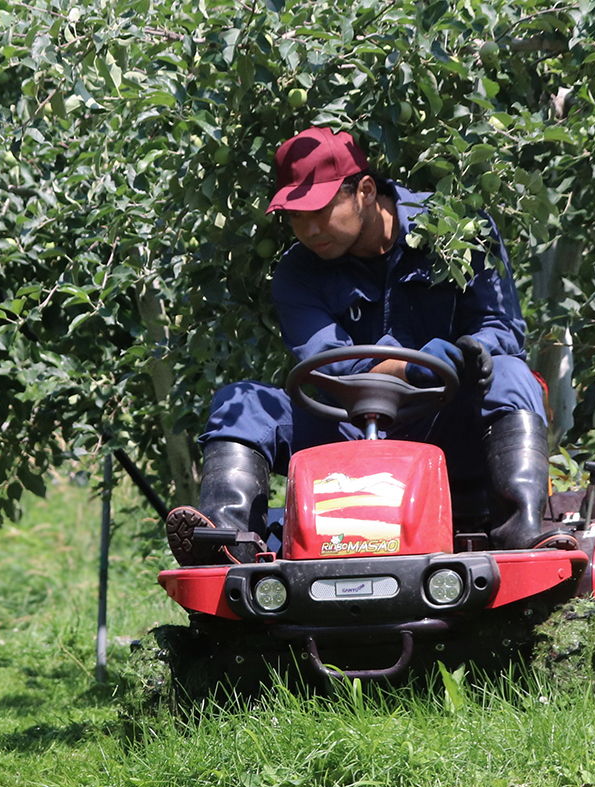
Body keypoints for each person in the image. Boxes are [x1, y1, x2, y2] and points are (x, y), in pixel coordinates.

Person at [165, 126, 568, 566]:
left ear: (365, 191)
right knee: (241, 402)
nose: (309, 229)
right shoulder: (296, 274)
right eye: (295, 216)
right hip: (347, 432)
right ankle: (227, 545)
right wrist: (413, 367)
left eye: (320, 210)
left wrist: (467, 353)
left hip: (449, 428)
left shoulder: (460, 231)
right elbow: (333, 371)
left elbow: (502, 329)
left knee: (511, 374)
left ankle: (522, 535)